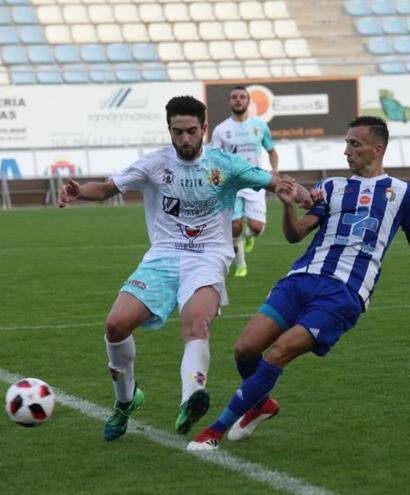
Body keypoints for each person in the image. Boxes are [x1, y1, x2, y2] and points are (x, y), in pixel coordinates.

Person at [187, 115, 410, 451]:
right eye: (346, 142)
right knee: (245, 349)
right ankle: (262, 404)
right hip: (299, 280)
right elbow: (297, 235)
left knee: (277, 353)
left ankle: (214, 431)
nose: (346, 150)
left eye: (354, 144)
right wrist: (288, 209)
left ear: (377, 149)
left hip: (344, 294)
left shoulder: (403, 193)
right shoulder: (331, 187)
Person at [57, 95, 312, 442]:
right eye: (178, 132)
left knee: (196, 323)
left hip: (208, 256)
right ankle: (126, 400)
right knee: (115, 325)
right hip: (163, 256)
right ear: (169, 130)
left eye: (192, 131)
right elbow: (105, 188)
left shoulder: (225, 165)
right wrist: (78, 190)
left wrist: (301, 194)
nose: (185, 139)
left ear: (204, 129)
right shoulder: (155, 164)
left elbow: (274, 182)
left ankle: (191, 397)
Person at [211, 86, 278, 278]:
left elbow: (271, 150)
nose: (238, 100)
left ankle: (249, 238)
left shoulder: (260, 126)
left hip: (255, 180)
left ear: (248, 101)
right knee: (234, 227)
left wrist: (275, 170)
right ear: (229, 102)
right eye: (234, 97)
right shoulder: (221, 130)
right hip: (231, 184)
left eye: (242, 97)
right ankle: (241, 265)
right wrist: (216, 181)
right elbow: (215, 159)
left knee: (256, 227)